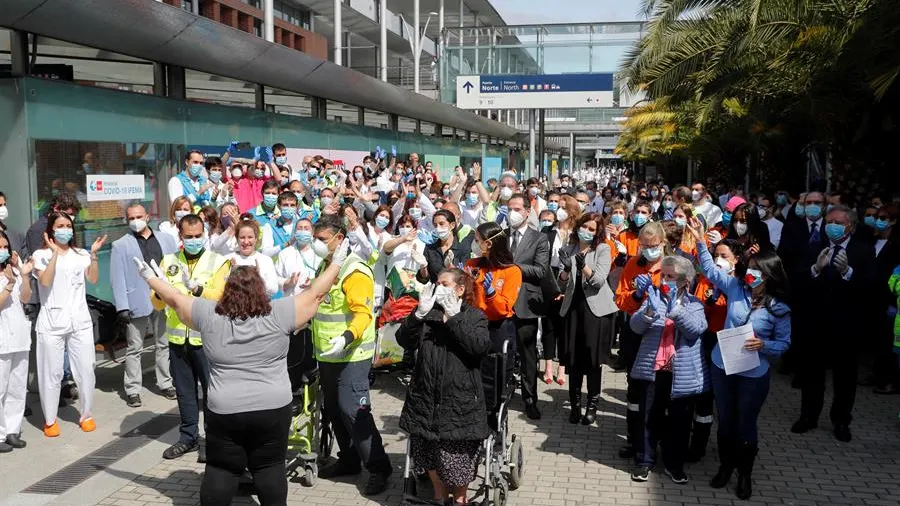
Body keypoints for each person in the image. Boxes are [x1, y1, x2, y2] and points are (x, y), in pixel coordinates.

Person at [134, 239, 348, 506]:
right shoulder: (280, 312)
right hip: (273, 407)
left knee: (222, 468)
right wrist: (337, 262)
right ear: (261, 290)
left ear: (226, 291)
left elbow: (176, 299)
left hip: (225, 409)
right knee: (269, 467)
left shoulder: (209, 314)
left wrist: (151, 279)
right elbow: (316, 293)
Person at [686, 217, 791, 500]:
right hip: (722, 364)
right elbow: (708, 268)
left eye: (758, 272)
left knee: (746, 423)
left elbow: (784, 344)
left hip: (753, 374)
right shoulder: (735, 288)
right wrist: (699, 240)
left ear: (769, 275)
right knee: (726, 421)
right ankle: (725, 467)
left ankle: (745, 474)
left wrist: (764, 344)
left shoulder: (778, 307)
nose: (752, 275)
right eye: (750, 270)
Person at [310, 216, 393, 496]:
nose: (317, 244)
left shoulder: (354, 271)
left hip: (351, 354)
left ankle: (379, 467)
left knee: (353, 410)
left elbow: (362, 313)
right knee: (333, 409)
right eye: (316, 238)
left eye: (322, 239)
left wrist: (346, 337)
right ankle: (348, 460)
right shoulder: (327, 266)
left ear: (340, 239)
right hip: (327, 354)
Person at [397, 269, 491, 505]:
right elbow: (403, 341)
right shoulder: (429, 315)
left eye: (445, 284)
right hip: (426, 397)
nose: (439, 287)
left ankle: (460, 498)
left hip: (459, 400)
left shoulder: (474, 316)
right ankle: (439, 496)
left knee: (455, 459)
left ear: (459, 290)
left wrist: (454, 317)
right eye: (436, 283)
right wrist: (418, 314)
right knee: (428, 453)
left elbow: (479, 348)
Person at [791, 205, 875, 442]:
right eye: (829, 221)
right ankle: (808, 416)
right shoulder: (814, 247)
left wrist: (848, 272)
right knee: (812, 374)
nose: (832, 226)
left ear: (850, 226)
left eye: (838, 222)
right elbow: (798, 280)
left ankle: (841, 420)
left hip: (846, 326)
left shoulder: (863, 251)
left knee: (845, 377)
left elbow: (871, 287)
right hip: (815, 323)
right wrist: (815, 269)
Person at [153, 214, 231, 461]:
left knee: (212, 393)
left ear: (205, 234)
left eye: (199, 236)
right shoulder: (168, 261)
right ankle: (188, 438)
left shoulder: (219, 261)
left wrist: (197, 288)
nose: (195, 240)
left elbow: (220, 298)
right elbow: (156, 304)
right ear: (180, 235)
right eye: (189, 237)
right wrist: (157, 287)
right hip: (178, 339)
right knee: (185, 392)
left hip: (207, 339)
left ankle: (213, 440)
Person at [628, 255, 708, 484]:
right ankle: (645, 461)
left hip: (681, 373)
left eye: (670, 277)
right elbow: (635, 326)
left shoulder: (695, 304)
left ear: (684, 281)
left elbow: (695, 330)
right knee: (648, 417)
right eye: (663, 275)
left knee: (680, 422)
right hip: (654, 370)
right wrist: (648, 313)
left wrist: (675, 311)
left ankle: (675, 465)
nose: (664, 280)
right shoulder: (654, 297)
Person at [32, 212, 106, 436]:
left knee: (86, 369)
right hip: (51, 322)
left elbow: (93, 279)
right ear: (51, 231)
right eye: (60, 225)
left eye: (68, 226)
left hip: (79, 320)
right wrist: (54, 254)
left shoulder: (81, 253)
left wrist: (93, 255)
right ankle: (50, 420)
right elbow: (45, 281)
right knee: (51, 373)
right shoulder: (40, 254)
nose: (65, 229)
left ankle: (86, 414)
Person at [110, 204, 179, 408]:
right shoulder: (120, 245)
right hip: (136, 300)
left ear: (148, 217)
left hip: (163, 297)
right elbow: (117, 278)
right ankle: (132, 389)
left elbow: (175, 268)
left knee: (164, 343)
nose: (135, 220)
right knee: (134, 347)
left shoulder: (166, 239)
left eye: (139, 216)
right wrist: (121, 306)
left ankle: (165, 382)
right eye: (131, 218)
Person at [614, 221, 669, 459]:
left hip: (663, 338)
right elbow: (620, 300)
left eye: (653, 245)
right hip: (635, 333)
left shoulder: (671, 266)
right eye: (644, 245)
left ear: (663, 243)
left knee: (660, 392)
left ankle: (656, 441)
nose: (648, 250)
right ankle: (633, 439)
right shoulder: (633, 265)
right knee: (635, 391)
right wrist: (636, 295)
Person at [557, 213, 617, 426]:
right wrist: (565, 271)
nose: (588, 232)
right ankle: (575, 405)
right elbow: (562, 284)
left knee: (592, 361)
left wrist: (583, 266)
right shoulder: (569, 248)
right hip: (573, 309)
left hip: (596, 312)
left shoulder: (603, 249)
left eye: (592, 229)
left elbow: (599, 280)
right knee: (573, 361)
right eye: (585, 227)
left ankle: (592, 405)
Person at [465, 222, 523, 407]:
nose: (475, 244)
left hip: (498, 328)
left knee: (495, 374)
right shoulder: (473, 265)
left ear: (489, 244)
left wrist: (491, 294)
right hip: (475, 324)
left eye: (477, 240)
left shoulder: (512, 271)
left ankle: (494, 410)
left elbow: (504, 308)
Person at [505, 194, 550, 420]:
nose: (512, 212)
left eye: (516, 208)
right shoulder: (501, 236)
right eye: (509, 208)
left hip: (526, 303)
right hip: (501, 304)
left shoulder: (539, 238)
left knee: (527, 354)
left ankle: (530, 399)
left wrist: (513, 268)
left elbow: (540, 270)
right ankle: (502, 394)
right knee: (502, 350)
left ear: (526, 211)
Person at [0, 240, 33, 451]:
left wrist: (24, 275)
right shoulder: (7, 278)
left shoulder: (13, 268)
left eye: (4, 247)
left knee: (17, 387)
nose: (2, 251)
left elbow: (25, 297)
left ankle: (12, 430)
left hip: (19, 336)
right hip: (1, 338)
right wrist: (10, 284)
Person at [229, 218, 279, 298]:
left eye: (250, 237)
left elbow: (273, 289)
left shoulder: (266, 260)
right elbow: (220, 287)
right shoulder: (228, 259)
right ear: (236, 238)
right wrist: (231, 274)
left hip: (259, 307)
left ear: (256, 238)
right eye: (242, 237)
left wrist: (257, 277)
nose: (246, 242)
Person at [420, 210, 473, 282]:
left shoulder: (463, 246)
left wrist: (451, 268)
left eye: (441, 224)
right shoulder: (430, 247)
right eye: (435, 225)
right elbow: (425, 279)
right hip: (437, 289)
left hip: (456, 289)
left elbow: (466, 277)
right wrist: (423, 266)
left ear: (452, 225)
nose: (438, 228)